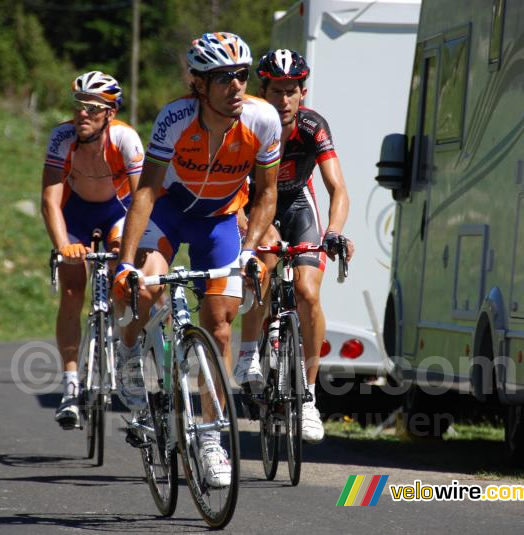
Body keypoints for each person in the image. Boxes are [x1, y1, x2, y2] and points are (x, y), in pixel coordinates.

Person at [113, 32, 281, 487]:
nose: (237, 87)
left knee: (221, 325)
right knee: (146, 285)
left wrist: (249, 251)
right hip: (169, 210)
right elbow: (145, 190)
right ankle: (129, 352)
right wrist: (125, 262)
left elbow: (267, 194)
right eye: (224, 78)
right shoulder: (175, 118)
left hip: (220, 220)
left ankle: (209, 439)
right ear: (200, 85)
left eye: (242, 76)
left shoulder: (263, 121)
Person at [235, 49, 355, 444]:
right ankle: (250, 352)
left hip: (298, 202)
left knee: (307, 291)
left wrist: (334, 231)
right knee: (264, 264)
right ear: (262, 91)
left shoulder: (312, 125)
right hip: (252, 203)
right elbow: (232, 185)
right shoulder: (246, 122)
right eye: (275, 92)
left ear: (302, 93)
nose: (283, 101)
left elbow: (337, 187)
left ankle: (307, 398)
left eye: (291, 92)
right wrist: (248, 226)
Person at [41, 71, 144, 429]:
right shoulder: (61, 138)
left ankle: (126, 350)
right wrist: (64, 245)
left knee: (124, 279)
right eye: (79, 106)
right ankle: (71, 387)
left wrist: (126, 247)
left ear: (110, 112)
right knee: (71, 292)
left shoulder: (126, 139)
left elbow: (141, 199)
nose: (83, 114)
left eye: (93, 108)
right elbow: (50, 201)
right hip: (76, 214)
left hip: (118, 211)